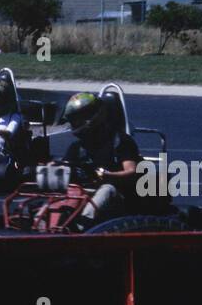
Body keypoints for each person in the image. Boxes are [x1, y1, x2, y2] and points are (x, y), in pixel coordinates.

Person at [59, 90, 142, 226]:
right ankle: (45, 224)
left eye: (78, 118)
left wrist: (108, 175)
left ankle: (83, 225)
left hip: (119, 194)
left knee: (106, 189)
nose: (75, 123)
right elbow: (64, 168)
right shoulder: (77, 147)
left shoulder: (120, 141)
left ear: (93, 116)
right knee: (66, 190)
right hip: (83, 191)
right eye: (73, 119)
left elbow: (131, 171)